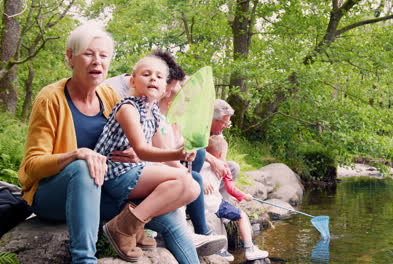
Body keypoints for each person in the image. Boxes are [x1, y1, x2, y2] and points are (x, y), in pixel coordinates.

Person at [104, 50, 225, 257]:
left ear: (164, 90)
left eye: (159, 77)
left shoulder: (153, 116)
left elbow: (165, 154)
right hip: (115, 173)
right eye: (146, 74)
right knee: (186, 181)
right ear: (132, 81)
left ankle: (135, 224)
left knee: (191, 184)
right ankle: (123, 227)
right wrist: (177, 154)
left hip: (134, 171)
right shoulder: (128, 108)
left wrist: (182, 158)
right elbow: (143, 150)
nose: (153, 79)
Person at [18, 23, 120, 264]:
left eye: (103, 55)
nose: (97, 61)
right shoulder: (50, 98)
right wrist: (75, 155)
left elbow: (123, 147)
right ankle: (84, 259)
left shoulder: (111, 97)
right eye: (88, 53)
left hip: (98, 190)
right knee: (83, 166)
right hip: (51, 196)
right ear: (70, 57)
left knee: (166, 179)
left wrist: (132, 155)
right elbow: (33, 165)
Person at [202, 135, 269, 261]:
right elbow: (230, 189)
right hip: (214, 204)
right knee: (242, 215)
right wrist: (244, 196)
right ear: (222, 153)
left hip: (199, 205)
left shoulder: (199, 163)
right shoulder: (224, 167)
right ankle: (250, 249)